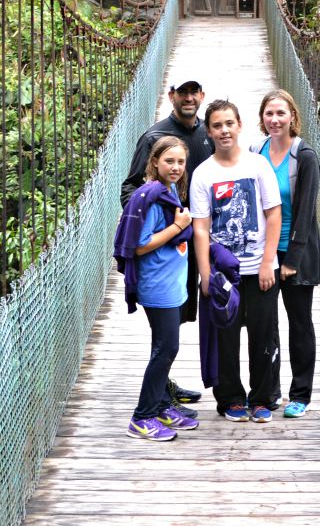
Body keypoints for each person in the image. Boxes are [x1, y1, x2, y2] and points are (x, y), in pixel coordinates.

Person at [121, 79, 212, 411]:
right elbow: (130, 191)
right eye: (182, 92)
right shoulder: (154, 138)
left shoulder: (207, 135)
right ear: (171, 96)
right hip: (163, 253)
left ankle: (162, 391)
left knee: (174, 328)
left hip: (190, 247)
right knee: (166, 335)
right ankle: (157, 400)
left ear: (202, 96)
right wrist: (169, 220)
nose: (188, 98)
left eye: (194, 92)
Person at [190, 100, 282, 424]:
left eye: (229, 123)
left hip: (259, 268)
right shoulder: (203, 174)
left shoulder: (258, 166)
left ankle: (261, 398)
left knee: (263, 335)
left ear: (240, 125)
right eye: (217, 125)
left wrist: (268, 261)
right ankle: (230, 398)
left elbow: (273, 214)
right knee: (225, 338)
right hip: (223, 272)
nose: (224, 130)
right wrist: (204, 274)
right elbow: (200, 228)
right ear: (209, 131)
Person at [112, 136, 199, 441]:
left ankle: (162, 405)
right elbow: (138, 247)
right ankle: (142, 416)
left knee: (162, 347)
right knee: (167, 348)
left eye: (180, 162)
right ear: (154, 163)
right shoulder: (149, 196)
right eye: (169, 161)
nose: (175, 167)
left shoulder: (169, 190)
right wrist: (178, 227)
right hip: (157, 285)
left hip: (170, 282)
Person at [252, 90, 320, 419]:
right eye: (269, 113)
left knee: (299, 324)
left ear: (293, 117)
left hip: (296, 253)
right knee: (265, 324)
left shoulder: (305, 155)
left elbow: (307, 210)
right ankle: (270, 392)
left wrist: (291, 260)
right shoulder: (255, 151)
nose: (275, 120)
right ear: (262, 117)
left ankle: (300, 394)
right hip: (262, 253)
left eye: (281, 113)